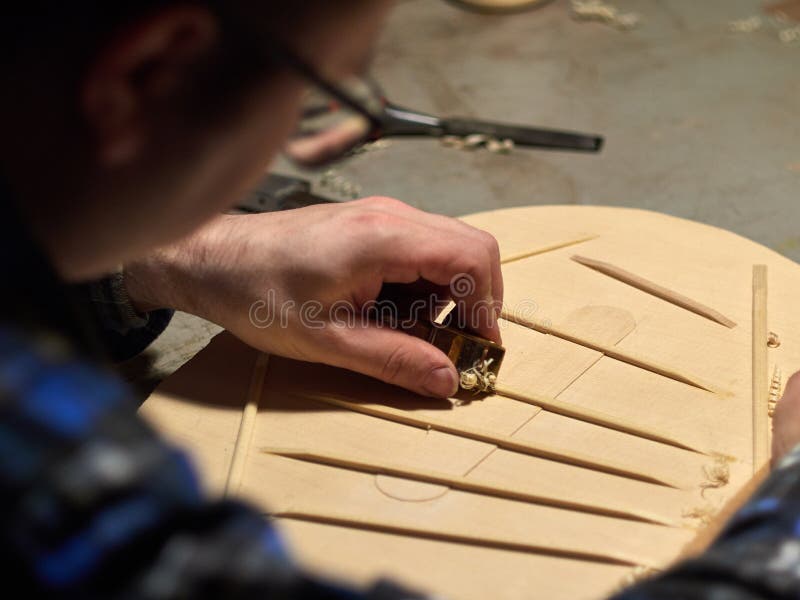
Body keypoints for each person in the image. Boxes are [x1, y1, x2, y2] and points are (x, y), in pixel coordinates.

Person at [1, 2, 799, 598]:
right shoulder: (36, 452)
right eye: (326, 99)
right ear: (150, 74)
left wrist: (178, 254)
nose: (315, 138)